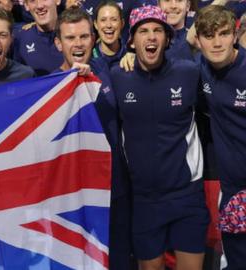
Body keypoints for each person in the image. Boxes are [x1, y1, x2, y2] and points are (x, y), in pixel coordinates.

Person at [111, 5, 209, 270]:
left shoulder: (189, 73)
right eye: (143, 31)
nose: (151, 37)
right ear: (131, 40)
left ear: (167, 38)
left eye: (157, 30)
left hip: (187, 195)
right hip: (143, 200)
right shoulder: (118, 76)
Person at [53, 7, 132, 270]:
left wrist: (132, 56)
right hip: (72, 199)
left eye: (84, 37)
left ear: (94, 39)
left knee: (119, 261)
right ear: (58, 43)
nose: (78, 44)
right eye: (70, 38)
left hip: (115, 190)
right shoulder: (46, 89)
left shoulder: (109, 70)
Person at [194, 5, 246, 270]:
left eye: (224, 34)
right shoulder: (200, 68)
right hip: (231, 191)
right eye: (209, 35)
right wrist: (130, 57)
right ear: (199, 40)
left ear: (235, 35)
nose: (217, 43)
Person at [13, 0, 63, 76]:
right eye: (32, 0)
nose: (39, 6)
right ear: (26, 5)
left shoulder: (76, 33)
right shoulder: (20, 38)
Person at [92, 0, 126, 67]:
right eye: (103, 20)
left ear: (122, 23)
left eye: (114, 19)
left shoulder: (132, 57)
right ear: (96, 24)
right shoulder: (88, 58)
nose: (108, 25)